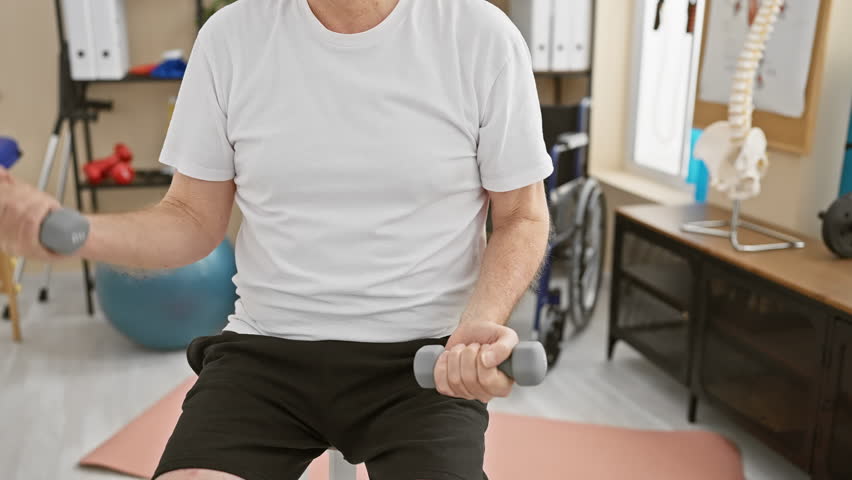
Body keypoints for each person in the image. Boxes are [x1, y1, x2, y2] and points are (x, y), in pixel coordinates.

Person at [0, 0, 552, 478]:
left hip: (427, 359)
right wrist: (73, 235)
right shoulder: (231, 37)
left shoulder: (481, 36)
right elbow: (192, 218)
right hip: (267, 353)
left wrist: (479, 326)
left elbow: (522, 215)